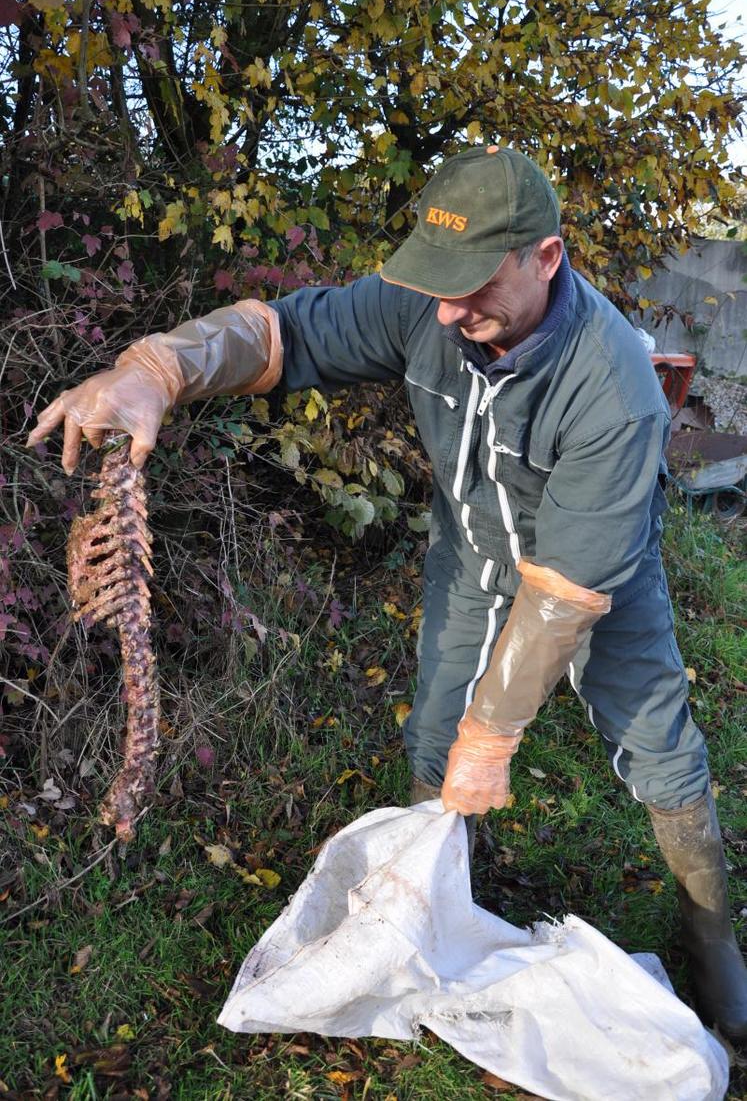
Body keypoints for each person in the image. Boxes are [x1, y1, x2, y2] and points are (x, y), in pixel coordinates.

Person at [27, 146, 746, 1040]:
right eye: (438, 285)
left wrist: (498, 734)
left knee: (654, 736)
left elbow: (562, 593)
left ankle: (713, 946)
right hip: (471, 555)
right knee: (437, 731)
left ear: (544, 258)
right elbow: (282, 334)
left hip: (595, 578)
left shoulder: (614, 384)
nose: (448, 310)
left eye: (473, 286)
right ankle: (439, 909)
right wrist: (158, 368)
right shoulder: (430, 304)